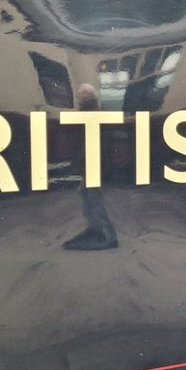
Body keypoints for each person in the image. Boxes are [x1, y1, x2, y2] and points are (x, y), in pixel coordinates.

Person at [62, 83, 118, 250]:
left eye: (80, 95)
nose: (77, 98)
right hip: (93, 162)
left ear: (85, 98)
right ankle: (95, 228)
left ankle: (108, 235)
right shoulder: (92, 113)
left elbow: (92, 143)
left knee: (94, 197)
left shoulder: (90, 114)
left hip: (94, 162)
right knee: (86, 192)